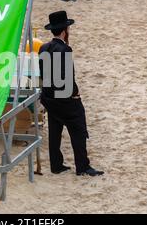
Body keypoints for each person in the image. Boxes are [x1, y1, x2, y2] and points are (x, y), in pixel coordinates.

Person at [39, 10, 104, 176]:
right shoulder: (65, 50)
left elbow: (43, 75)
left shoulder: (43, 48)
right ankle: (82, 166)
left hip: (49, 98)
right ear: (64, 31)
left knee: (55, 131)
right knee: (78, 131)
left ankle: (56, 164)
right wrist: (75, 95)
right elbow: (68, 78)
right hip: (65, 99)